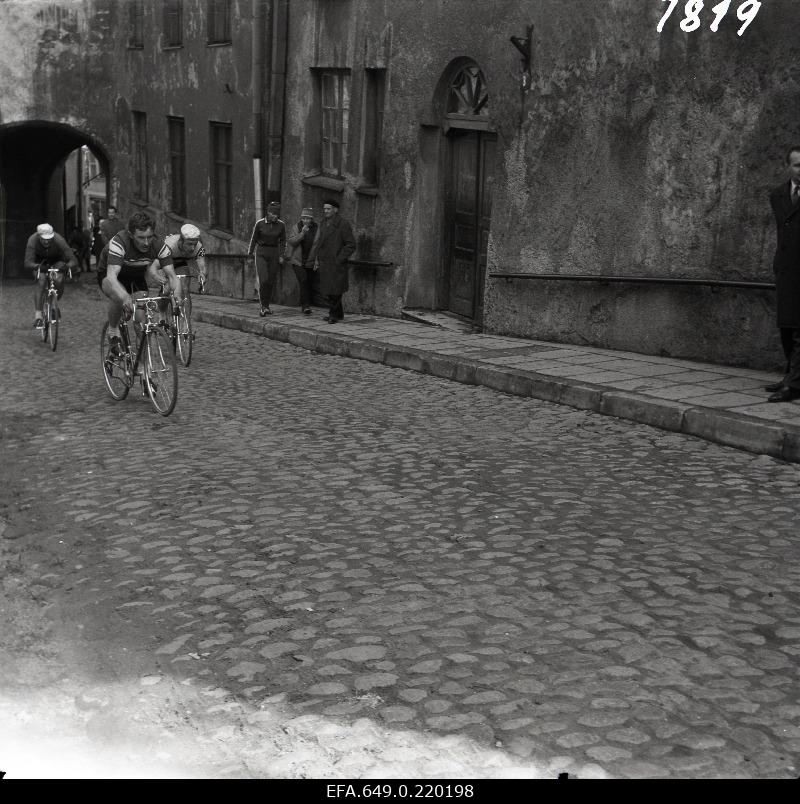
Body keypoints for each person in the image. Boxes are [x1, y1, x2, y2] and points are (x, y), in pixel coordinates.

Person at [97, 211, 180, 356]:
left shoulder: (159, 245)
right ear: (130, 234)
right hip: (110, 275)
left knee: (141, 322)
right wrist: (125, 297)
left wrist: (177, 296)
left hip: (136, 276)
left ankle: (144, 369)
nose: (146, 242)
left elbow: (172, 276)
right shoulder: (119, 242)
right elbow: (111, 277)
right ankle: (113, 331)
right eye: (141, 238)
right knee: (119, 296)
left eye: (149, 237)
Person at [767, 146, 800, 402]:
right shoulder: (778, 195)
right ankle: (790, 376)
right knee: (786, 327)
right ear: (788, 167)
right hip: (787, 269)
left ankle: (795, 384)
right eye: (798, 165)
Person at [309, 199, 356, 324]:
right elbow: (319, 243)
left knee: (335, 291)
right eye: (324, 209)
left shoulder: (343, 224)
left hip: (336, 264)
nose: (326, 211)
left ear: (335, 210)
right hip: (325, 262)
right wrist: (317, 259)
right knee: (328, 291)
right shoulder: (323, 223)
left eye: (328, 209)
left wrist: (339, 258)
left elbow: (351, 245)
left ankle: (333, 315)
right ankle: (338, 313)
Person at [25, 223, 77, 329]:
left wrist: (66, 266)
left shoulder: (59, 240)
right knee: (42, 280)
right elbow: (27, 263)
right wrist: (37, 266)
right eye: (43, 239)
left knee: (59, 279)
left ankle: (54, 305)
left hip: (56, 260)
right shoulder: (32, 240)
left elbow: (73, 261)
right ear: (38, 236)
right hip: (39, 263)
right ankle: (38, 316)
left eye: (49, 238)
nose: (46, 241)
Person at [247, 201, 286, 316]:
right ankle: (263, 306)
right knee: (263, 279)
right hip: (261, 252)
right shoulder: (260, 224)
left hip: (274, 252)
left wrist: (281, 254)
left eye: (277, 214)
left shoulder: (281, 225)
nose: (275, 216)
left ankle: (267, 306)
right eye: (273, 214)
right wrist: (250, 254)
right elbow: (253, 239)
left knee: (270, 281)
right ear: (268, 213)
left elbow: (283, 241)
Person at [163, 223, 208, 321]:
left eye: (194, 244)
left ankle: (186, 322)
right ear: (180, 240)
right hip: (164, 262)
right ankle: (162, 312)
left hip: (180, 263)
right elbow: (158, 265)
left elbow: (202, 266)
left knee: (185, 289)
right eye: (189, 244)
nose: (192, 248)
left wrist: (202, 274)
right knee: (166, 289)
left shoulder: (199, 248)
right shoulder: (169, 245)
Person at [286, 207, 318, 314]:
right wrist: (302, 233)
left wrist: (317, 260)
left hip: (310, 261)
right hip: (297, 261)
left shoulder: (317, 229)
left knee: (308, 283)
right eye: (303, 218)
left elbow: (319, 245)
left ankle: (306, 303)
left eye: (308, 218)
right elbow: (291, 241)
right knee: (303, 280)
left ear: (312, 219)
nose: (305, 221)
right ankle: (305, 306)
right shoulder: (297, 227)